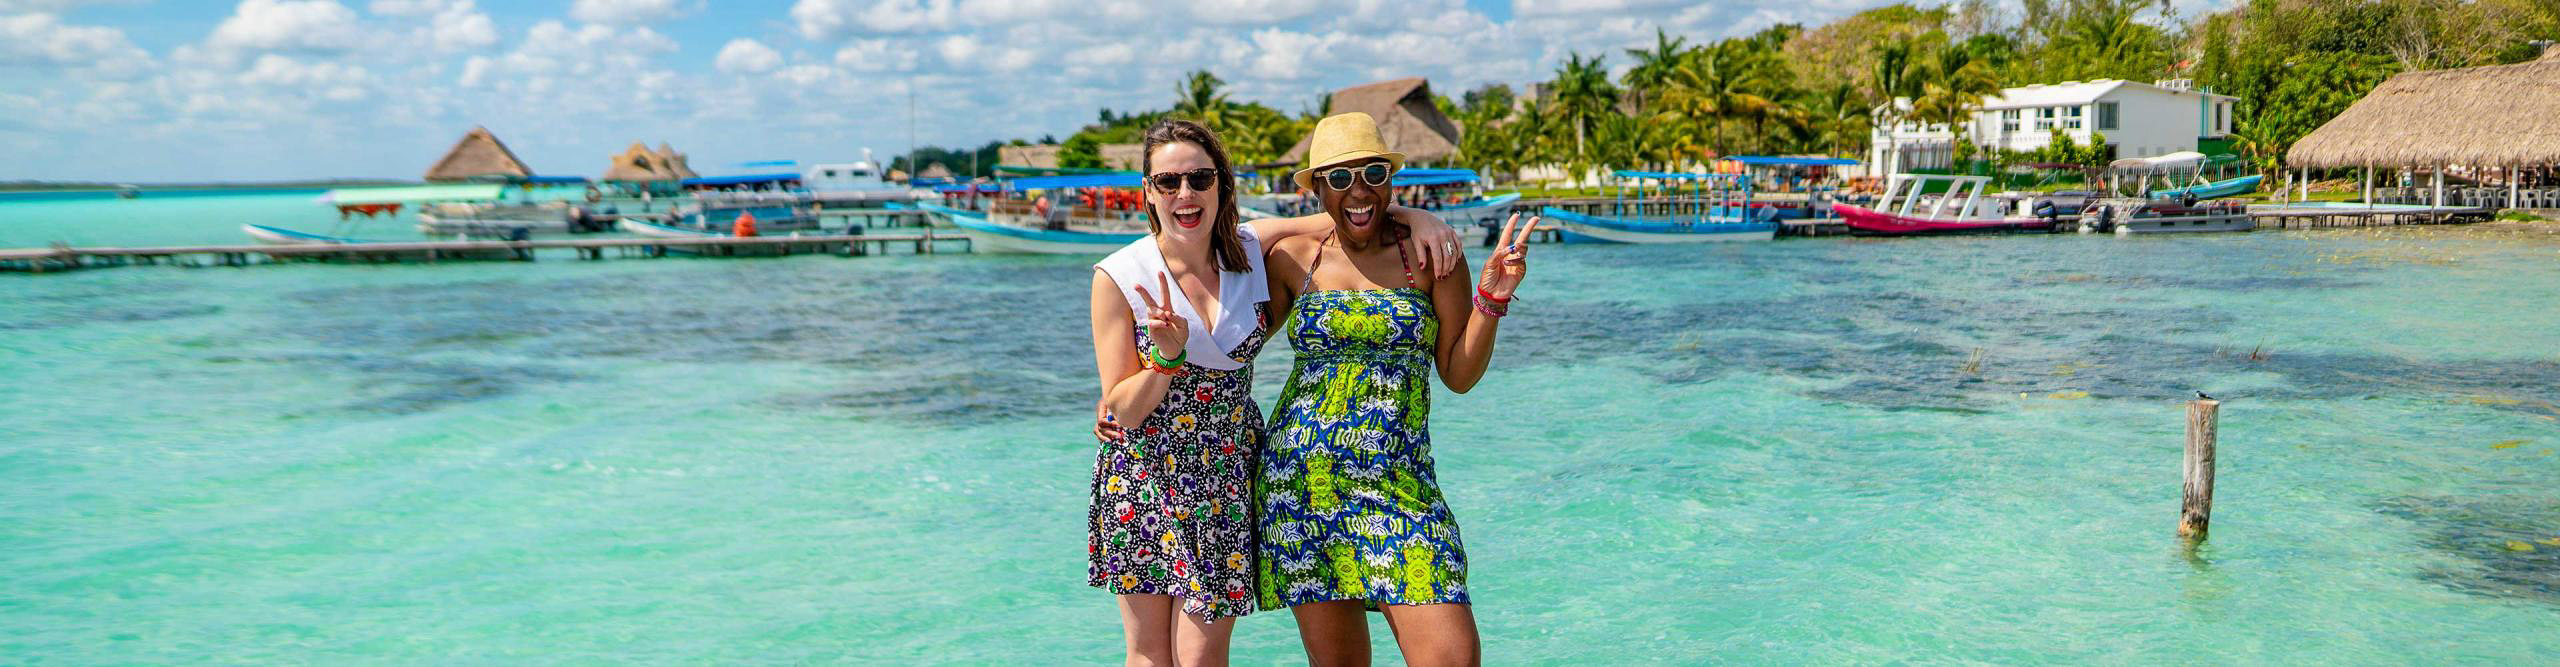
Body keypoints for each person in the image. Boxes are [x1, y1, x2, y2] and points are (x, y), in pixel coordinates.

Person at [1086, 119, 1462, 667]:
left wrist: (1419, 216)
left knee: (1202, 658)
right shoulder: (1121, 275)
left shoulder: (1249, 251)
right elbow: (1123, 407)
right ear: (1148, 190)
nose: (1185, 193)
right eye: (1168, 182)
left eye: (1200, 178)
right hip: (1145, 476)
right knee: (1148, 655)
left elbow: (1344, 209)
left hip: (1225, 475)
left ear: (1221, 184)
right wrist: (1163, 362)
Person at [1254, 112, 1535, 667]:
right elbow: (1229, 343)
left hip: (1401, 486)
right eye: (1339, 178)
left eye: (1374, 174)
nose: (1359, 191)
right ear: (1315, 190)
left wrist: (1492, 299)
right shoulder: (1292, 258)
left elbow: (1458, 374)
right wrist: (1140, 378)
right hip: (1302, 489)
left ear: (1391, 180)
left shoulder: (1431, 257)